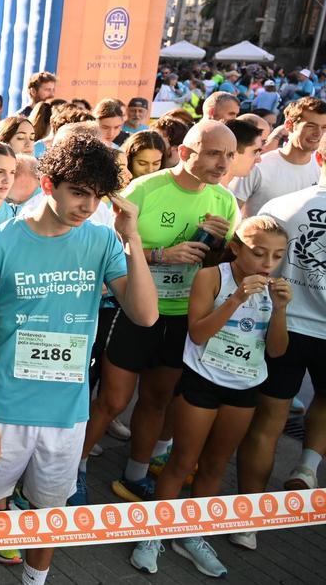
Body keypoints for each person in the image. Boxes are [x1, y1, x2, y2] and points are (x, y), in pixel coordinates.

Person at [0, 134, 157, 585]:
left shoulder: (103, 241)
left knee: (49, 515)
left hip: (66, 412)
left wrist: (133, 238)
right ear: (49, 184)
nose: (87, 206)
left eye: (96, 196)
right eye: (78, 192)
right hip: (4, 408)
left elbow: (144, 314)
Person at [84, 120, 240, 504]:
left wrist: (221, 247)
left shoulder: (224, 201)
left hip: (183, 313)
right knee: (114, 401)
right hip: (135, 308)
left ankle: (136, 472)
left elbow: (224, 266)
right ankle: (74, 467)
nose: (223, 164)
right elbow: (106, 248)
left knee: (157, 399)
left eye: (230, 155)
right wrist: (159, 255)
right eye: (214, 153)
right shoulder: (145, 188)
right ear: (186, 152)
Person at [130, 216, 291, 577]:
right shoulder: (211, 277)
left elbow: (277, 352)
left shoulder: (275, 288)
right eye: (258, 253)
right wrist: (236, 298)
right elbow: (199, 334)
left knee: (216, 465)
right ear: (236, 246)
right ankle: (152, 533)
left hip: (246, 385)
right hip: (203, 378)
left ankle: (191, 535)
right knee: (182, 463)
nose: (266, 264)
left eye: (276, 256)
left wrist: (280, 309)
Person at [233, 149, 326, 550]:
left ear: (321, 157)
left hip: (283, 322)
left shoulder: (284, 205)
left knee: (267, 423)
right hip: (298, 325)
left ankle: (246, 522)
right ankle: (308, 465)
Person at [230, 97, 326, 217]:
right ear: (289, 125)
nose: (318, 133)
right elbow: (229, 215)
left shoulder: (322, 169)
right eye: (310, 126)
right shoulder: (257, 166)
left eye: (324, 127)